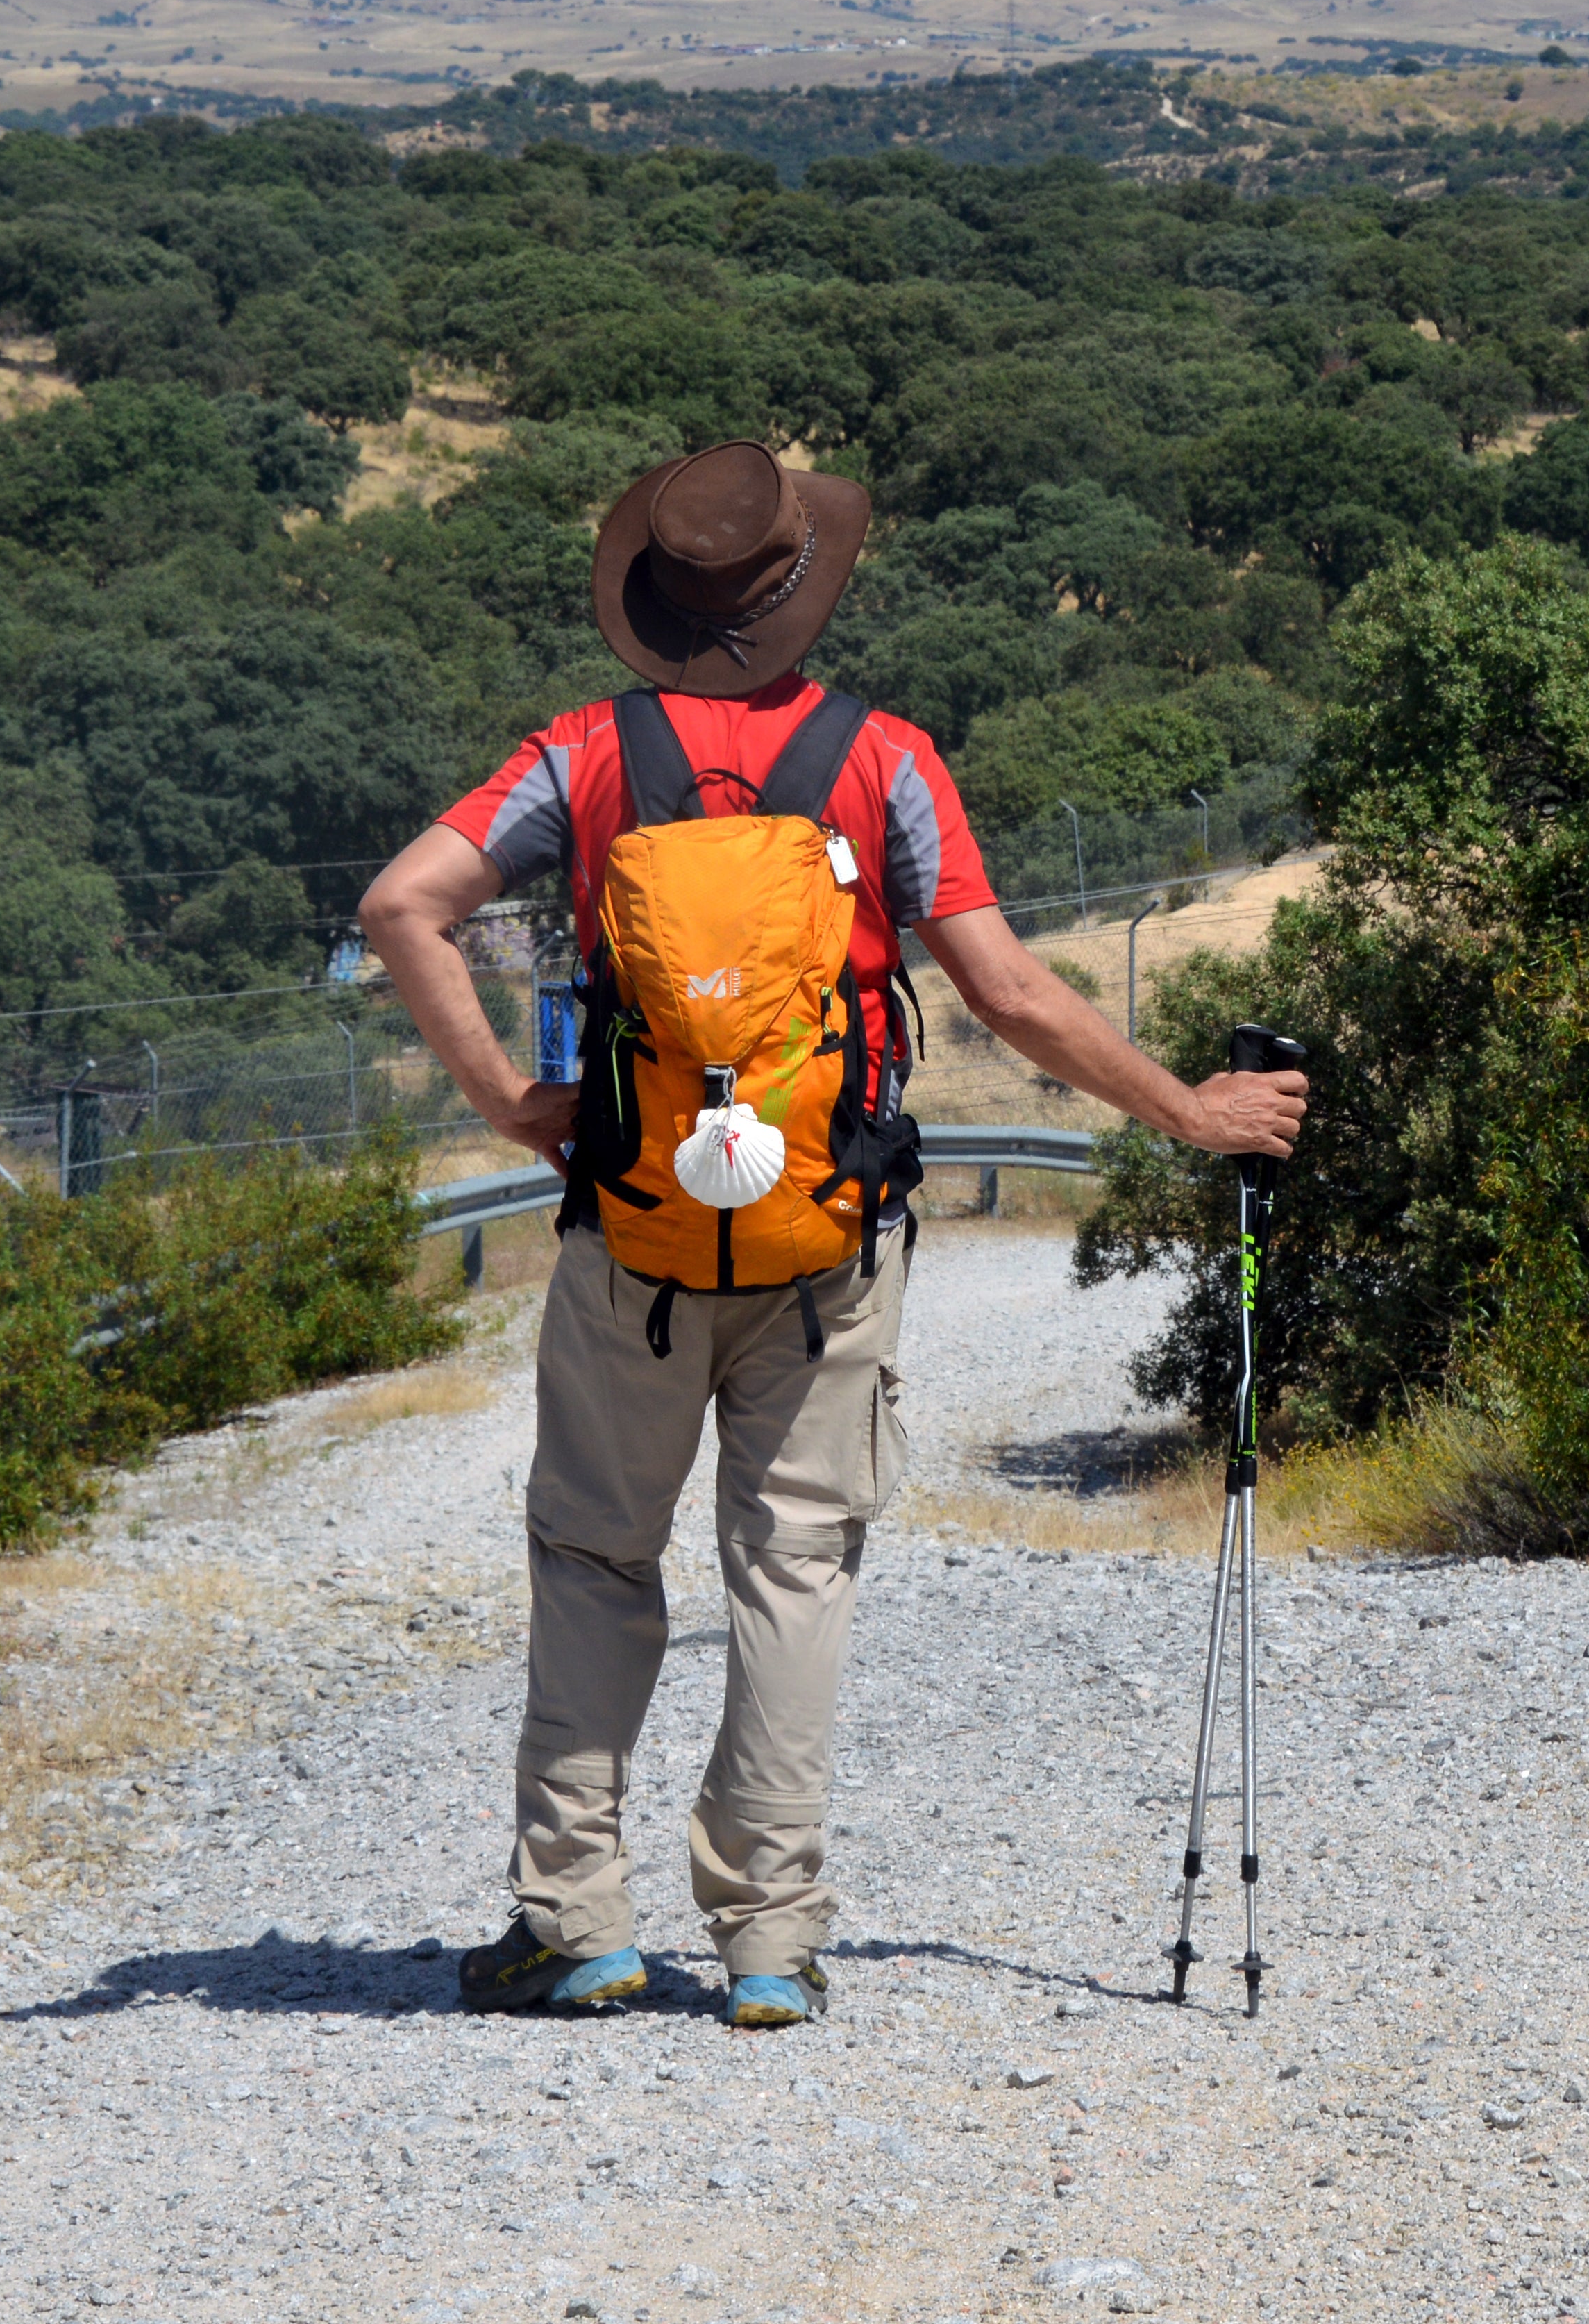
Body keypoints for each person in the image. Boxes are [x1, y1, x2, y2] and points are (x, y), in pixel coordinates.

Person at [358, 437, 1306, 2030]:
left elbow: (402, 903)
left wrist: (517, 1102)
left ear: (656, 603)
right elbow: (1010, 991)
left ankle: (574, 1920)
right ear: (799, 591)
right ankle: (770, 1940)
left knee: (596, 1558)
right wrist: (1192, 1113)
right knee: (793, 1564)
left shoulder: (584, 756)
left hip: (633, 1230)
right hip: (828, 1236)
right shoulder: (884, 760)